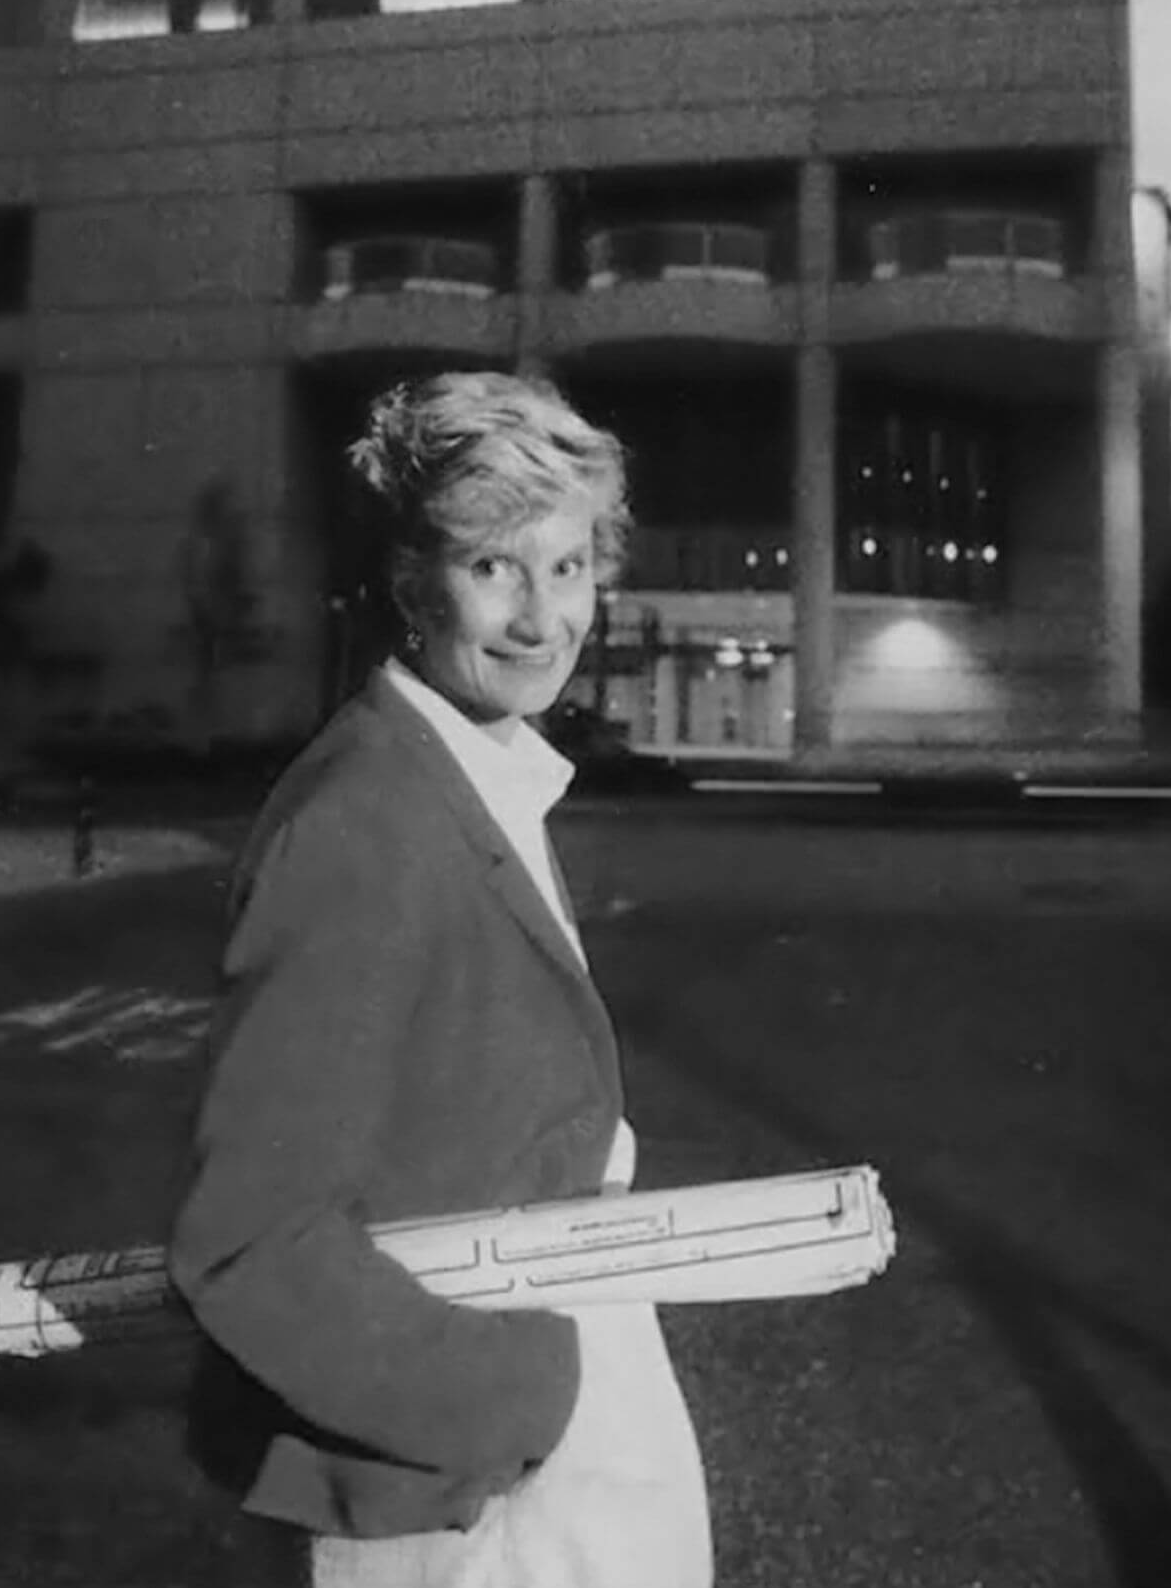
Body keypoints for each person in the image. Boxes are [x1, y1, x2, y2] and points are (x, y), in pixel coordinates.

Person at [168, 371, 713, 1588]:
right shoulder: (364, 819)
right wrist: (519, 1406)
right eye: (491, 568)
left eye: (565, 567)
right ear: (410, 581)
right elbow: (252, 1244)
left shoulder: (472, 774)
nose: (539, 618)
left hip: (529, 1442)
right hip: (455, 1505)